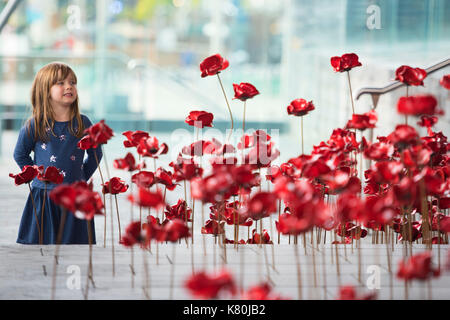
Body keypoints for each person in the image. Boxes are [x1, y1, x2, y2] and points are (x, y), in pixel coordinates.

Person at [13, 62, 102, 244]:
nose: (69, 86)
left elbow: (95, 154)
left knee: (76, 249)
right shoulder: (35, 124)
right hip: (45, 196)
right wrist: (36, 176)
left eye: (72, 82)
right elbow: (20, 154)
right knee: (43, 249)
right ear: (45, 90)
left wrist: (81, 176)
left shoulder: (84, 123)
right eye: (60, 83)